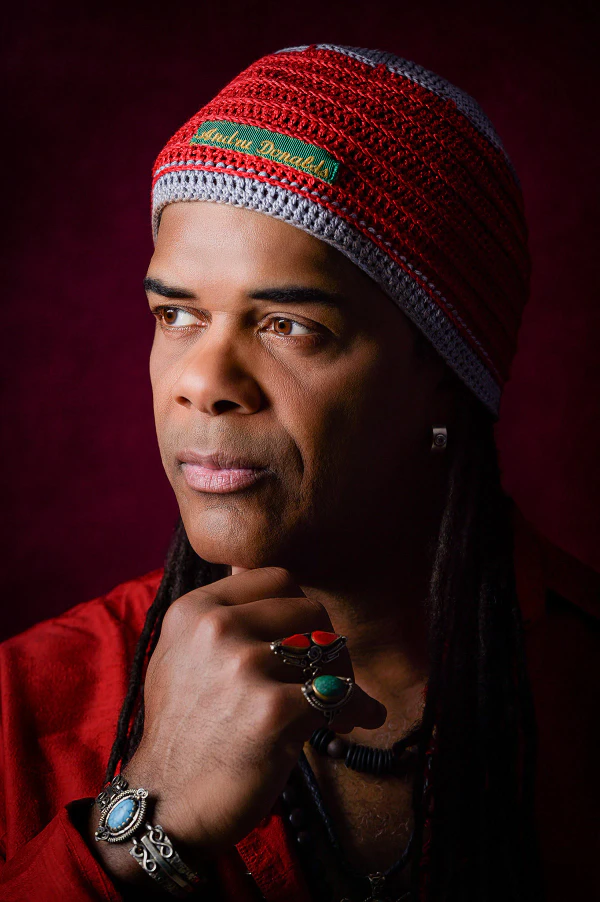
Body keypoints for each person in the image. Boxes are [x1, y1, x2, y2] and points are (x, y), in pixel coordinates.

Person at [2, 43, 595, 902]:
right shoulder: (27, 705)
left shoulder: (580, 687)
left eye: (288, 325)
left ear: (445, 370)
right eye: (176, 314)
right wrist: (138, 835)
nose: (202, 382)